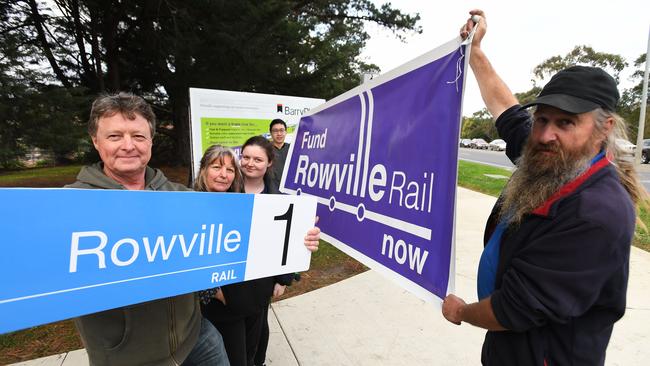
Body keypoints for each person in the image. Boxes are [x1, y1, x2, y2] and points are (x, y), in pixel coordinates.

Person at [441, 10, 647, 366]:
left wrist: (462, 312)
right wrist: (474, 52)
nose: (545, 134)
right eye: (543, 119)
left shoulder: (597, 213)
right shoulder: (549, 154)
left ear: (604, 128)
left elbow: (514, 310)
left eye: (566, 122)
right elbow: (506, 109)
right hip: (507, 350)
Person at [65, 92, 229, 366]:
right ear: (96, 141)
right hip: (126, 357)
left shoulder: (183, 195)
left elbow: (229, 239)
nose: (128, 145)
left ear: (151, 141)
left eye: (138, 136)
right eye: (115, 136)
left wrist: (294, 239)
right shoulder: (66, 205)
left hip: (196, 339)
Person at [196, 142, 319, 366]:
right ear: (203, 169)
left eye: (230, 170)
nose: (224, 175)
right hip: (222, 306)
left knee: (251, 353)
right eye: (216, 167)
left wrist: (302, 239)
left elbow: (275, 241)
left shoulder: (245, 201)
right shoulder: (187, 202)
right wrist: (213, 292)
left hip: (253, 298)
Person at [268, 119, 290, 190]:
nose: (279, 134)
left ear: (286, 132)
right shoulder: (265, 150)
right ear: (271, 133)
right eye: (275, 131)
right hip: (271, 191)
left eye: (282, 130)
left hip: (290, 191)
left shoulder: (293, 149)